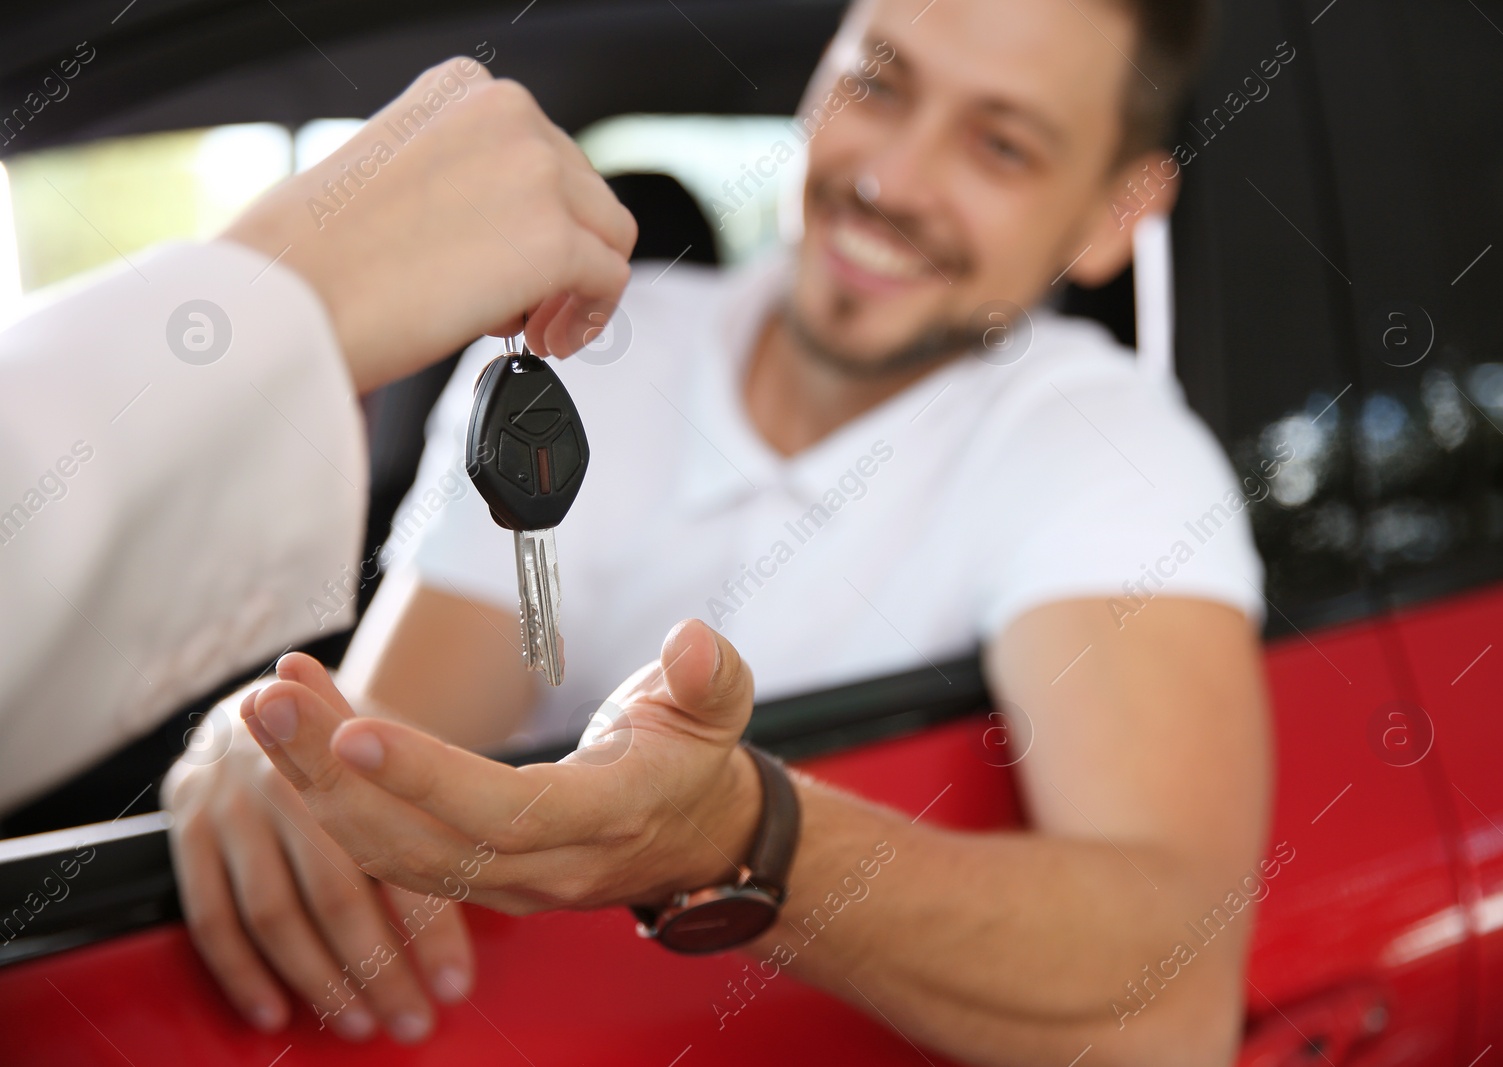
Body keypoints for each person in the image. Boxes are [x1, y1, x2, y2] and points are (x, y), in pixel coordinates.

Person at [167, 0, 1272, 1062]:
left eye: (1000, 145)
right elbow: (384, 745)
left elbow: (1169, 1006)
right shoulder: (585, 348)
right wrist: (263, 747)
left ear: (1112, 215)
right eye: (878, 84)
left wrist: (742, 839)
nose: (891, 178)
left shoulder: (1103, 449)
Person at [0, 57, 636, 811]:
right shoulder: (630, 354)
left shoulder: (606, 357)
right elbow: (380, 737)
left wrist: (280, 296)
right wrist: (285, 294)